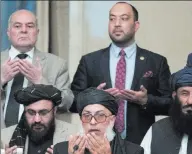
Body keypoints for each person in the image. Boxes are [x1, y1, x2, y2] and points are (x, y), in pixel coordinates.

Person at [70, 2, 172, 145]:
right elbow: (72, 101)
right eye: (112, 19)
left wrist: (145, 100)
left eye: (123, 19)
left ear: (136, 25)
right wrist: (93, 98)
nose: (117, 24)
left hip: (141, 143)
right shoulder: (90, 61)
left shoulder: (156, 62)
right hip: (97, 142)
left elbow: (171, 104)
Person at [53, 87, 146, 154]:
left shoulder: (133, 152)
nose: (93, 122)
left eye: (100, 115)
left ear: (112, 120)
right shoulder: (62, 150)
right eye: (87, 116)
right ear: (81, 120)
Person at [1, 9, 73, 128]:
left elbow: (67, 104)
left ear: (37, 32)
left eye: (30, 26)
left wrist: (42, 83)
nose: (24, 30)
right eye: (17, 26)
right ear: (8, 32)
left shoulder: (57, 64)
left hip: (40, 138)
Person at [1, 84, 77, 154]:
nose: (37, 119)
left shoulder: (73, 135)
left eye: (43, 112)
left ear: (54, 111)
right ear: (24, 112)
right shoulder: (4, 137)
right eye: (31, 113)